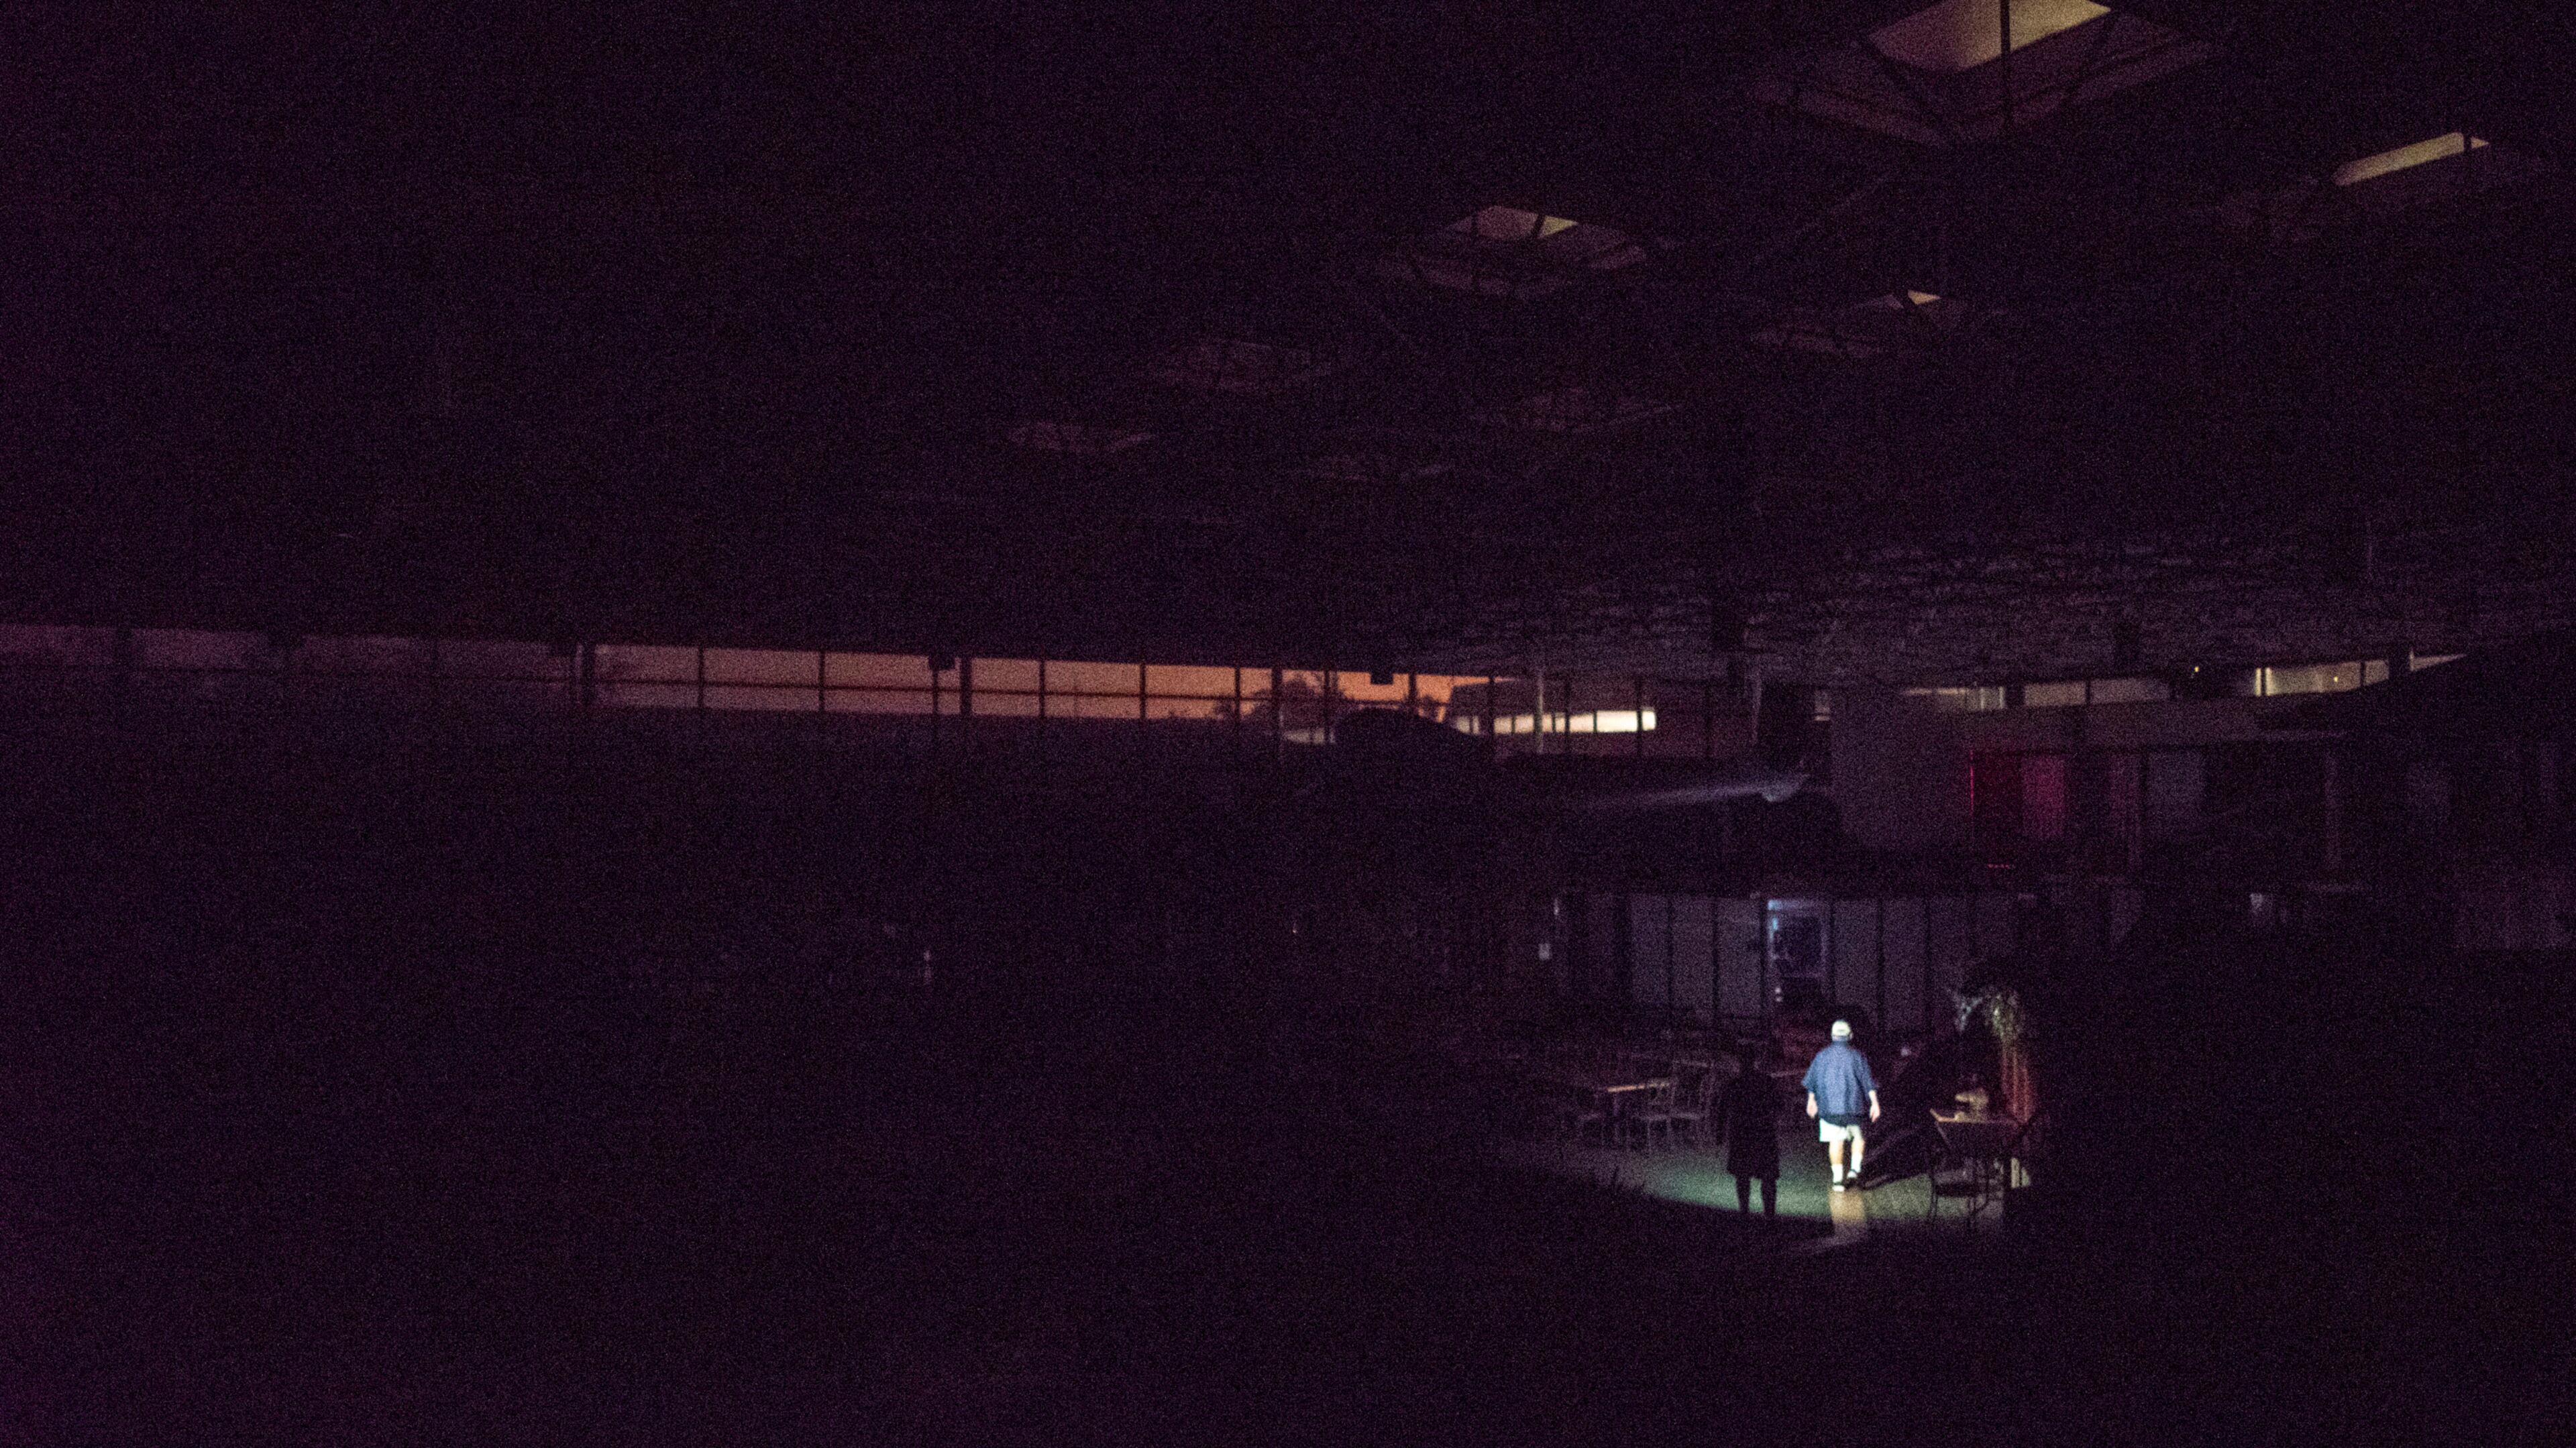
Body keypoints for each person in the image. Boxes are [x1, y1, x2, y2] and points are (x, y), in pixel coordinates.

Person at [1803, 1019, 1880, 1191]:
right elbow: (1868, 1083)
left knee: (1835, 1141)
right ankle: (1855, 1170)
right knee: (1859, 1139)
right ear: (1850, 1036)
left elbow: (1813, 1082)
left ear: (1832, 1036)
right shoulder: (1858, 1056)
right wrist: (1875, 1103)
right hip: (1855, 1109)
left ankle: (1838, 1180)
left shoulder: (1821, 1056)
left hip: (1830, 1110)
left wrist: (1811, 1101)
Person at [1715, 1046, 1782, 1216]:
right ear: (1755, 1061)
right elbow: (1780, 1106)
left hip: (1741, 1133)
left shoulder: (1734, 1084)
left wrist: (1720, 1134)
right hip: (1764, 1132)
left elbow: (1722, 1110)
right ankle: (1769, 1215)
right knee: (1768, 1177)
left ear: (1740, 1062)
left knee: (1742, 1176)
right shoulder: (1766, 1081)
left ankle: (1744, 1213)